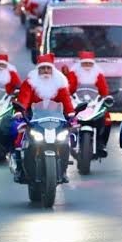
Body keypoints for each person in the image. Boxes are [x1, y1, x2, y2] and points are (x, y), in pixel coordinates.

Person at [13, 54, 75, 182]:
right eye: (43, 68)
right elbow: (24, 98)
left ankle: (62, 171)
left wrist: (71, 113)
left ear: (52, 69)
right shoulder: (30, 81)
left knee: (65, 143)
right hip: (34, 118)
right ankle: (20, 169)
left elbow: (66, 99)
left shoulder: (60, 82)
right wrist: (20, 111)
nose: (46, 71)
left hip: (56, 120)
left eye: (48, 68)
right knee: (20, 139)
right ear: (38, 69)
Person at [66, 50, 111, 158]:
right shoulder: (73, 73)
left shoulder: (98, 73)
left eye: (89, 63)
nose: (87, 66)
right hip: (78, 103)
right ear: (80, 63)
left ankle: (101, 143)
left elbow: (104, 89)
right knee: (66, 119)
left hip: (93, 103)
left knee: (107, 119)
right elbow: (69, 88)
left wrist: (105, 97)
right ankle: (67, 142)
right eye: (85, 63)